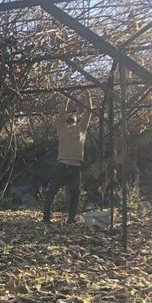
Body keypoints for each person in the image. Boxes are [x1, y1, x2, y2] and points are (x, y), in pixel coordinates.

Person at [43, 91, 93, 224]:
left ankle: (71, 219)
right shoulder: (61, 127)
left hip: (75, 168)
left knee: (75, 195)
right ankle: (46, 217)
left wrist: (87, 96)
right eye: (69, 113)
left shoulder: (81, 128)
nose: (72, 114)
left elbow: (89, 112)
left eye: (74, 114)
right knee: (52, 192)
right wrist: (67, 96)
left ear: (77, 119)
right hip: (62, 166)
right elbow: (61, 111)